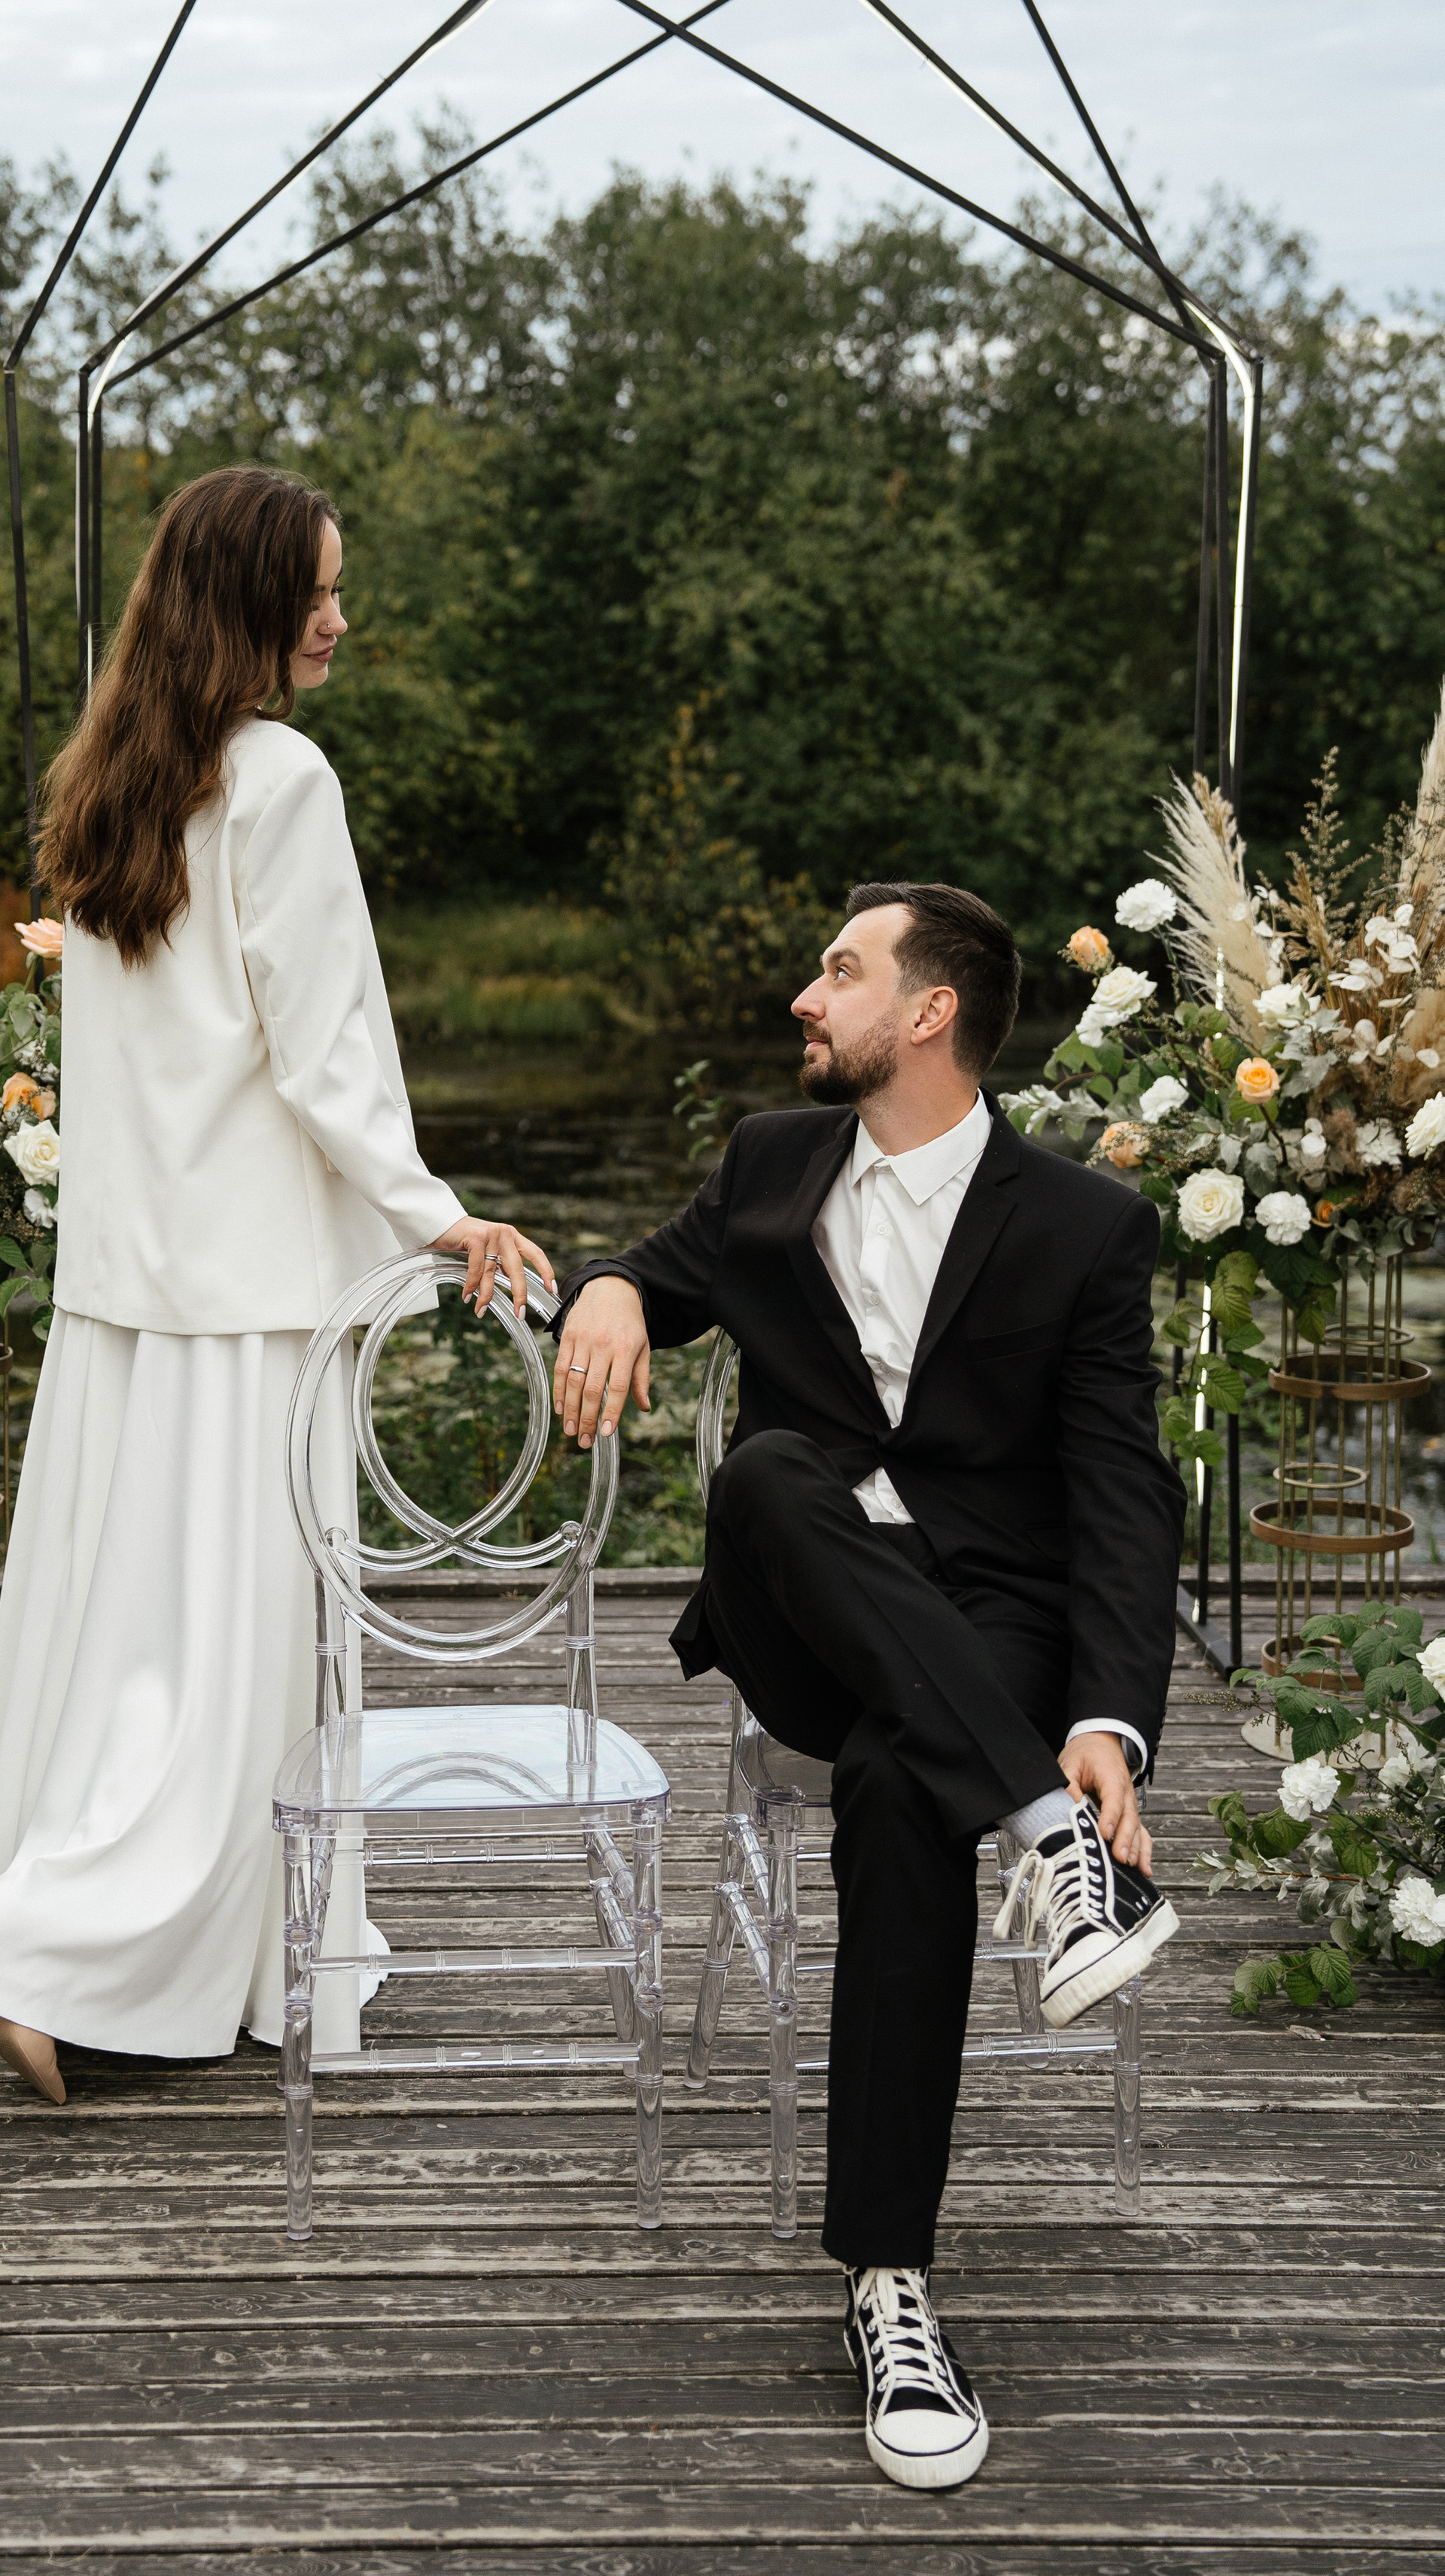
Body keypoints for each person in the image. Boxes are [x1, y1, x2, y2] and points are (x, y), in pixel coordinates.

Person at [550, 883, 1182, 2493]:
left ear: (929, 1014)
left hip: (985, 1630)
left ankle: (888, 2287)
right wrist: (612, 1289)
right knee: (766, 1468)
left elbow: (1119, 1493)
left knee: (909, 1786)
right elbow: (654, 1267)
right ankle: (1049, 1839)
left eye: (838, 972)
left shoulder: (1081, 1229)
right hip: (802, 1620)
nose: (800, 1000)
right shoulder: (770, 1163)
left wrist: (1108, 1720)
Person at [0, 464, 552, 2103]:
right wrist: (439, 1218)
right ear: (247, 608)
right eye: (318, 591)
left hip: (129, 1299)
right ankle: (63, 1956)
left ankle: (123, 1949)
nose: (340, 617)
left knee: (126, 1647)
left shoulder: (115, 788)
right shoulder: (278, 779)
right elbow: (325, 1053)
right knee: (223, 1670)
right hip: (247, 1302)